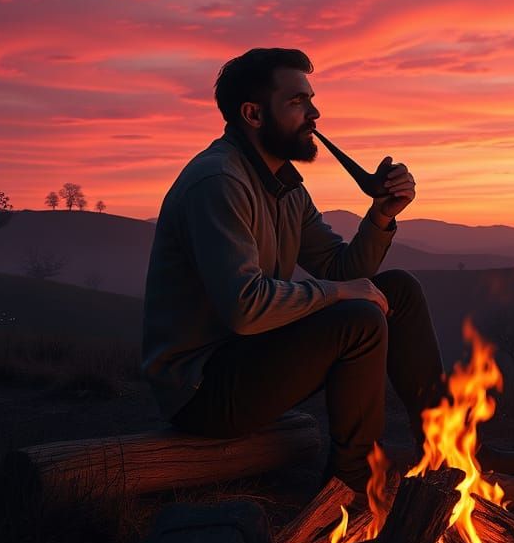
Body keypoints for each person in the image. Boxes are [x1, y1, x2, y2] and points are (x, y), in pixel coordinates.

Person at [141, 47, 446, 491]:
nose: (314, 114)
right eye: (298, 101)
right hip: (202, 390)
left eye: (311, 100)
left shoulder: (284, 186)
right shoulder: (219, 182)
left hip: (251, 359)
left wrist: (382, 214)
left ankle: (448, 448)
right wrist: (339, 294)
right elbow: (245, 308)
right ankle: (351, 482)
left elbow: (342, 269)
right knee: (359, 319)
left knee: (398, 290)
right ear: (253, 113)